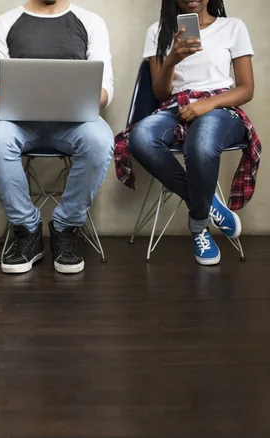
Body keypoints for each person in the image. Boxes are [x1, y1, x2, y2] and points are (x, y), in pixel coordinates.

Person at [115, 0, 260, 266]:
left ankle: (198, 227)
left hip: (220, 108)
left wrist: (207, 104)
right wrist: (172, 59)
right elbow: (160, 93)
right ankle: (206, 203)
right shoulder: (158, 31)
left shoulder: (232, 27)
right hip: (175, 108)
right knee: (141, 138)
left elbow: (246, 89)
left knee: (202, 144)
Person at [0, 0, 114, 275]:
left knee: (99, 139)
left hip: (73, 124)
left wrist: (67, 95)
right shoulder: (5, 23)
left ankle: (66, 226)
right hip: (19, 123)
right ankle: (27, 228)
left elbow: (105, 92)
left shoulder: (90, 22)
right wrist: (31, 94)